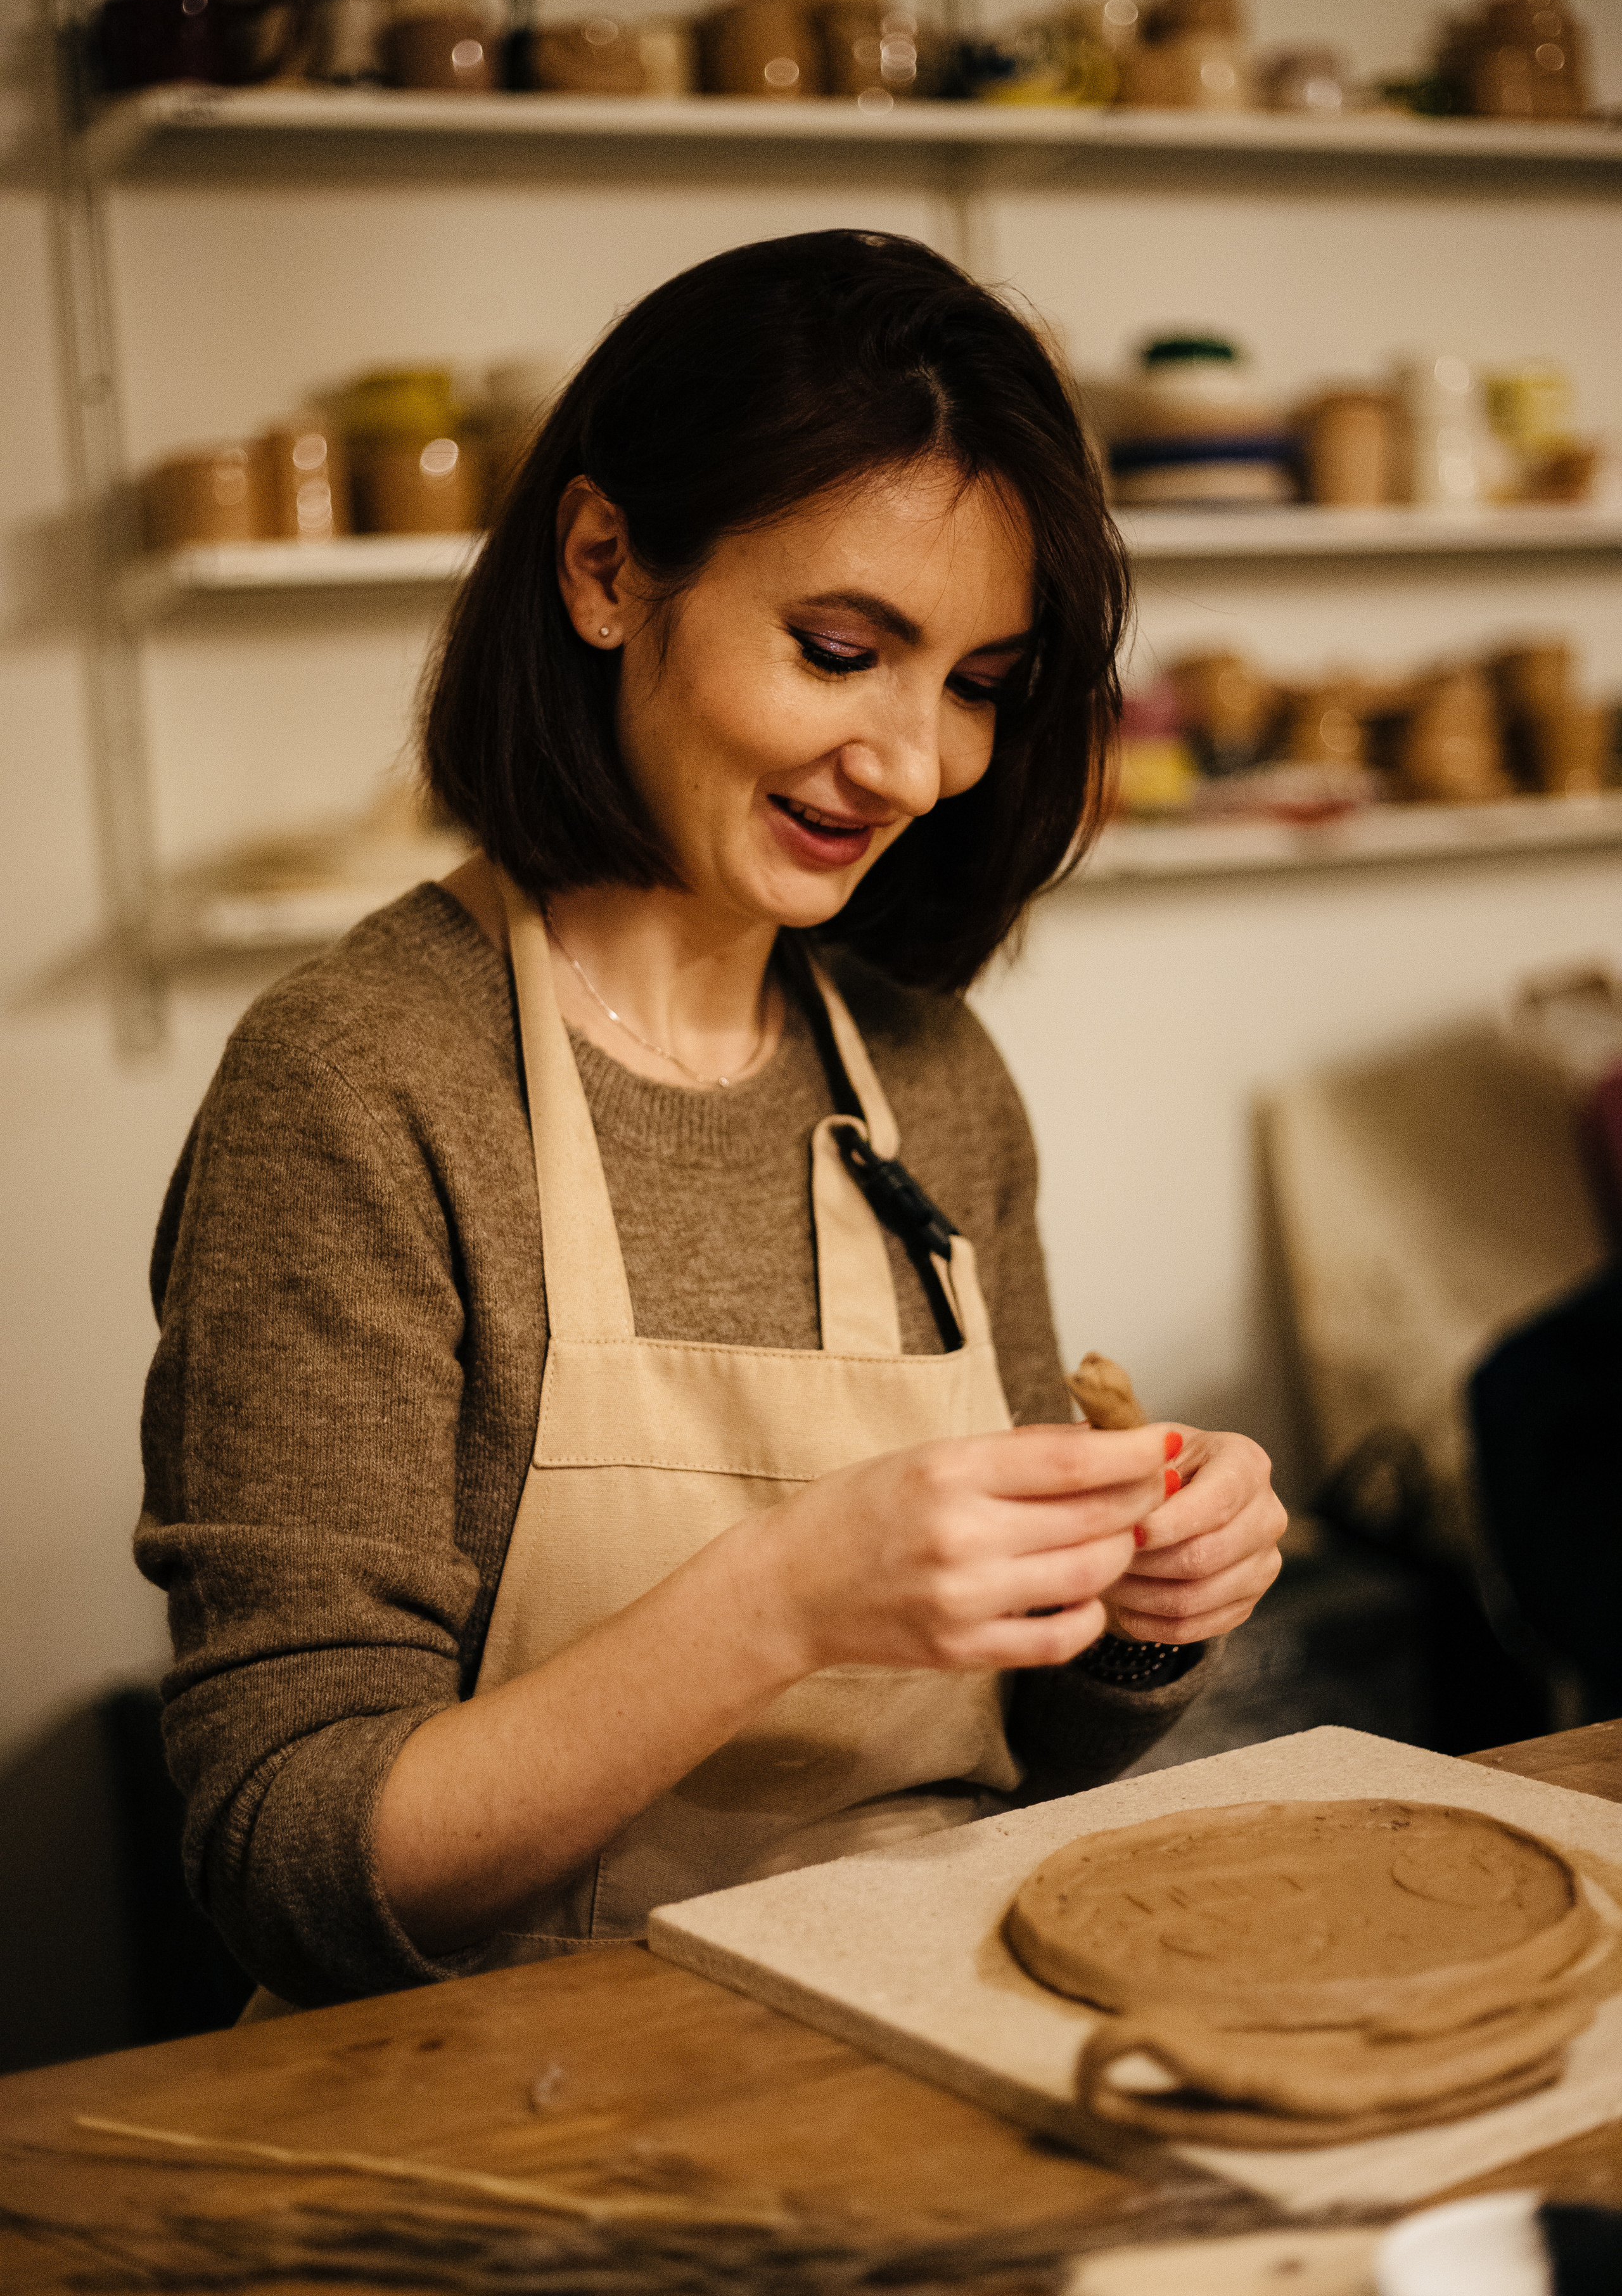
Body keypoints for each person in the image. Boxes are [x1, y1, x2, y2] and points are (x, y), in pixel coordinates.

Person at [137, 232, 1284, 2009]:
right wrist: (776, 1603)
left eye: (979, 684)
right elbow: (283, 1854)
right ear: (605, 567)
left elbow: (1012, 1762)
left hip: (925, 2025)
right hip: (503, 2112)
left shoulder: (927, 1070)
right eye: (843, 651)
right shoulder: (363, 1085)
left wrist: (1142, 1612)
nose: (914, 764)